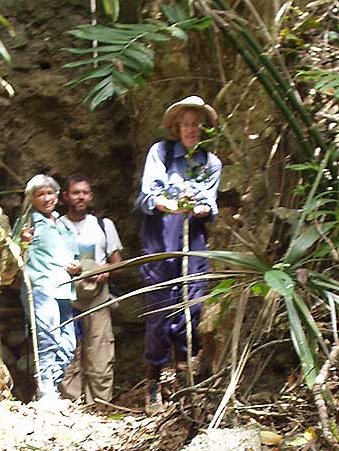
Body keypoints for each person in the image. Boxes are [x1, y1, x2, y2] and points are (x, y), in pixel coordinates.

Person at [135, 95, 222, 414]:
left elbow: (210, 203)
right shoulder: (160, 153)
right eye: (185, 124)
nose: (191, 129)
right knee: (159, 312)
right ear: (176, 126)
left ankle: (186, 384)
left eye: (196, 124)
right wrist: (164, 203)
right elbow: (150, 193)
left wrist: (201, 208)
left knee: (191, 307)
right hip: (161, 241)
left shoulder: (211, 163)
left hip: (193, 242)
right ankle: (154, 384)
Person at [58, 175, 123, 403]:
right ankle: (72, 403)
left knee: (100, 352)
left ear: (91, 196)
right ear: (66, 196)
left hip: (98, 298)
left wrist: (105, 269)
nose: (81, 197)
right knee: (68, 353)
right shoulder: (56, 226)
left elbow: (119, 264)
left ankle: (100, 404)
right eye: (76, 192)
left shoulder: (103, 226)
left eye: (85, 192)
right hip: (66, 299)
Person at [18, 174, 81, 402]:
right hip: (40, 287)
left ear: (57, 195)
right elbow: (13, 254)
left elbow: (74, 257)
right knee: (48, 338)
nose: (46, 198)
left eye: (50, 193)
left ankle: (51, 384)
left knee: (68, 343)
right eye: (40, 194)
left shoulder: (63, 224)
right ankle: (45, 391)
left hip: (64, 289)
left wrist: (77, 267)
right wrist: (23, 241)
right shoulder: (29, 222)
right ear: (32, 198)